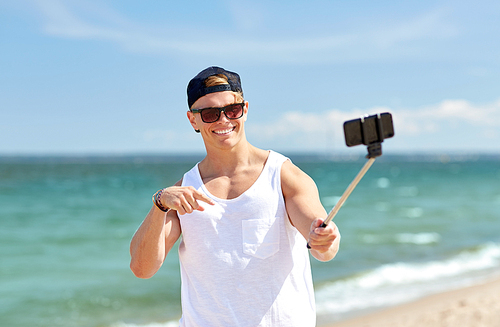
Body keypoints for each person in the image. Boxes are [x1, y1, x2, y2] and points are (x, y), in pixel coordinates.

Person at [130, 66, 340, 327]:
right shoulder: (185, 191)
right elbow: (142, 268)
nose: (223, 120)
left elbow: (319, 236)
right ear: (192, 120)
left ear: (245, 109)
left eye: (232, 110)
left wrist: (324, 239)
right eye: (209, 113)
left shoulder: (282, 175)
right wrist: (159, 203)